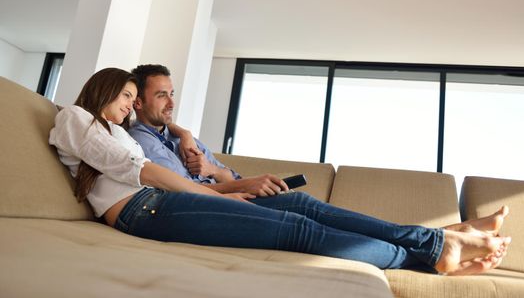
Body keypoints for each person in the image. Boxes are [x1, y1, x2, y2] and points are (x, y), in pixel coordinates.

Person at [49, 67, 511, 277]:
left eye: (134, 98)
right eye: (127, 96)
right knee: (297, 227)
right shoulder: (78, 117)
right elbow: (142, 171)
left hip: (159, 204)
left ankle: (434, 248)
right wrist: (217, 195)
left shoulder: (120, 131)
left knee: (302, 218)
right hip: (144, 210)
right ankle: (433, 251)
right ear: (102, 89)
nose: (129, 106)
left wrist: (211, 179)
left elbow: (153, 168)